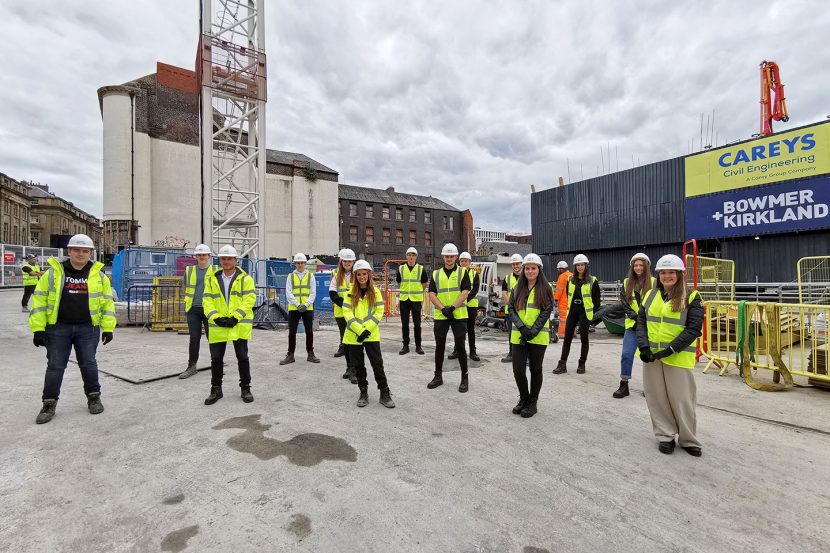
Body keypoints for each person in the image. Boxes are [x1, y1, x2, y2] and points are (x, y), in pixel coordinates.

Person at [29, 234, 115, 424]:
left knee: (89, 363)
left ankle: (94, 397)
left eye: (85, 251)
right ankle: (49, 403)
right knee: (55, 366)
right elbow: (39, 300)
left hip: (87, 328)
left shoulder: (99, 276)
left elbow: (107, 303)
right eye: (76, 250)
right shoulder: (53, 273)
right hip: (58, 328)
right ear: (69, 251)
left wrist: (108, 328)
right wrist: (38, 329)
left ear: (91, 253)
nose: (80, 254)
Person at [636, 254, 704, 456]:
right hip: (652, 358)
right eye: (663, 273)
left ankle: (688, 439)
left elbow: (693, 329)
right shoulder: (649, 295)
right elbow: (641, 322)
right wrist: (644, 347)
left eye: (671, 272)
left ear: (680, 274)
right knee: (656, 397)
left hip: (677, 357)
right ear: (658, 275)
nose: (667, 276)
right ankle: (665, 436)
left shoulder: (692, 297)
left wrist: (671, 349)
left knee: (682, 399)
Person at [202, 245, 256, 405]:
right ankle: (216, 389)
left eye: (229, 258)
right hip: (218, 325)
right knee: (216, 359)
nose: (226, 261)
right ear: (220, 260)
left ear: (235, 260)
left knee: (242, 357)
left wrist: (236, 317)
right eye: (224, 259)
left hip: (238, 325)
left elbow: (249, 300)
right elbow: (207, 300)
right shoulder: (212, 279)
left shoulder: (246, 279)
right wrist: (215, 318)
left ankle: (245, 388)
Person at [342, 260, 395, 408]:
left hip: (371, 334)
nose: (361, 277)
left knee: (377, 364)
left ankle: (384, 392)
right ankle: (363, 392)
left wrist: (367, 329)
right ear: (355, 276)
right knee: (358, 366)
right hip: (354, 335)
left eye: (364, 274)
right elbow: (346, 312)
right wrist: (360, 330)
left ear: (369, 275)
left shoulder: (376, 292)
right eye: (359, 274)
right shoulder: (350, 292)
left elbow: (379, 312)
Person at [508, 254, 554, 418]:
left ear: (539, 269)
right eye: (527, 268)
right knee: (518, 370)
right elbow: (511, 309)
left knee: (535, 369)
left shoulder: (546, 288)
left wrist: (532, 331)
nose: (530, 271)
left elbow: (546, 311)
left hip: (538, 337)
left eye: (533, 268)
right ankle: (524, 398)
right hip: (519, 336)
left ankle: (532, 403)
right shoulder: (517, 288)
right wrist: (522, 328)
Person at [426, 243, 471, 393]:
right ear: (443, 257)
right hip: (441, 315)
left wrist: (452, 308)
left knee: (460, 347)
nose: (449, 259)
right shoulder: (436, 274)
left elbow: (465, 292)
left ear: (456, 257)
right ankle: (438, 376)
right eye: (447, 256)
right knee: (439, 347)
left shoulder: (462, 272)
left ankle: (464, 378)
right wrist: (443, 309)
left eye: (452, 256)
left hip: (458, 315)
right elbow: (431, 294)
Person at [613, 253, 655, 398]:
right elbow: (625, 304)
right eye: (635, 265)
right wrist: (637, 319)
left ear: (647, 266)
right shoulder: (626, 283)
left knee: (649, 356)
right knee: (626, 354)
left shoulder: (655, 282)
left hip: (650, 326)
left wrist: (643, 320)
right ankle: (624, 385)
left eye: (641, 265)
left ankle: (650, 388)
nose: (638, 267)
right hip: (632, 325)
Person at [552, 254, 600, 375]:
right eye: (578, 265)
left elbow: (597, 301)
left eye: (582, 265)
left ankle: (582, 363)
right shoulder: (570, 280)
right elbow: (568, 294)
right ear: (575, 266)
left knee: (584, 338)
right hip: (572, 311)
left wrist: (591, 314)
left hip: (584, 312)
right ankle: (562, 364)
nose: (580, 267)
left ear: (586, 266)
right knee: (567, 338)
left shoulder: (593, 281)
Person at [179, 244, 219, 379]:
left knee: (212, 338)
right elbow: (184, 285)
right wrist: (187, 299)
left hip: (209, 309)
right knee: (194, 338)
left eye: (204, 255)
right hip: (193, 309)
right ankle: (191, 366)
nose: (202, 257)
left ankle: (217, 365)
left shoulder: (215, 270)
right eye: (199, 255)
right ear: (196, 257)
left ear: (208, 256)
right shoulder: (189, 270)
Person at [280, 253, 320, 365]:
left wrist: (306, 304)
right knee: (292, 332)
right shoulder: (290, 276)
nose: (300, 265)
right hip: (294, 308)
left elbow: (313, 292)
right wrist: (298, 304)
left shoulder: (310, 276)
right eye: (298, 263)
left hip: (307, 308)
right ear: (295, 264)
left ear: (305, 263)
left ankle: (310, 353)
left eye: (302, 262)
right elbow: (288, 292)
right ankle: (290, 354)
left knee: (309, 331)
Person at [330, 248, 357, 383]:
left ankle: (354, 369)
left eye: (349, 261)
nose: (347, 263)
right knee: (346, 341)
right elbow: (332, 293)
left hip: (355, 314)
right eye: (345, 261)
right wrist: (345, 305)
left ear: (353, 262)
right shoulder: (337, 275)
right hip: (341, 314)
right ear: (341, 262)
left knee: (354, 342)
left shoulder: (358, 274)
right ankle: (349, 367)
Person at [449, 252, 481, 361]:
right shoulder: (455, 274)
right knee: (458, 330)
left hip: (470, 306)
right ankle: (457, 350)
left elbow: (475, 289)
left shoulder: (474, 274)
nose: (463, 263)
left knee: (470, 330)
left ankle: (473, 352)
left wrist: (465, 299)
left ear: (469, 262)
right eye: (462, 261)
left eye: (466, 261)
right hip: (459, 306)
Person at [397, 246, 428, 355]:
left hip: (416, 300)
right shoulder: (401, 268)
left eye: (413, 255)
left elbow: (424, 284)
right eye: (409, 255)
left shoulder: (420, 269)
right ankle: (405, 346)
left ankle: (418, 346)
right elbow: (399, 282)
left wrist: (417, 292)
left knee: (417, 324)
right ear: (406, 256)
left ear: (416, 257)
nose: (411, 257)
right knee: (404, 324)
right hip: (404, 300)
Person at [501, 253, 524, 363]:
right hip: (510, 311)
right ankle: (511, 353)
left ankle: (525, 355)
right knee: (511, 333)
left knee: (524, 332)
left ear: (521, 264)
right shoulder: (507, 278)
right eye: (514, 264)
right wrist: (511, 306)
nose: (515, 266)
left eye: (517, 264)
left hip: (524, 311)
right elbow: (504, 294)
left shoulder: (527, 277)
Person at [552, 260, 572, 338]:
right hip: (571, 301)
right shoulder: (572, 275)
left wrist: (555, 299)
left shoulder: (562, 276)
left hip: (564, 302)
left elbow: (559, 290)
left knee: (563, 319)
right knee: (571, 318)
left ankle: (562, 334)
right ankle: (572, 333)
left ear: (562, 269)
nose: (558, 271)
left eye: (559, 269)